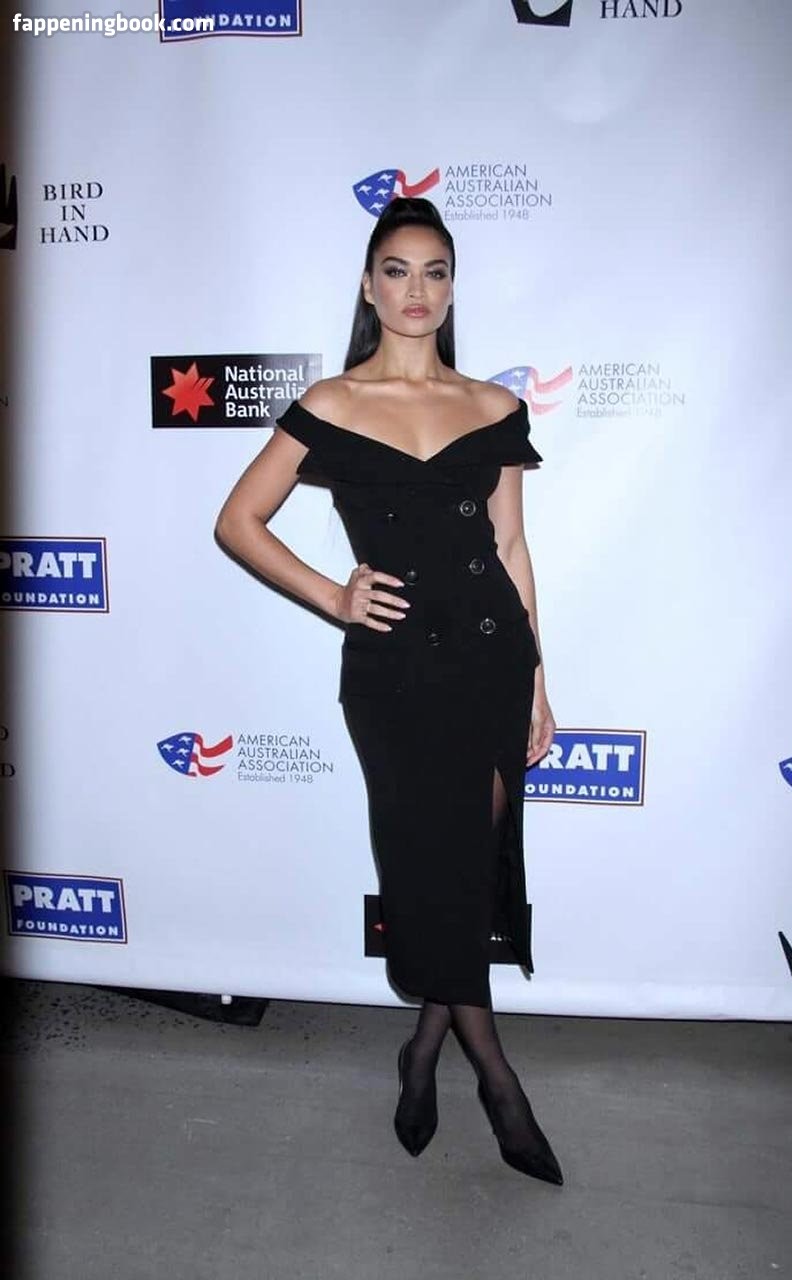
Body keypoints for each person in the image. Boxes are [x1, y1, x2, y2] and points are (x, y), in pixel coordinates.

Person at [215, 197, 562, 1186]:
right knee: (427, 863)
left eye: (435, 270)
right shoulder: (331, 402)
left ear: (452, 288)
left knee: (466, 868)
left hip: (491, 660)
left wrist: (538, 682)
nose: (418, 289)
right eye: (398, 270)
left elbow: (511, 547)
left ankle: (424, 1048)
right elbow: (238, 520)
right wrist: (334, 595)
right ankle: (494, 1073)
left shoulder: (491, 407)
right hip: (395, 673)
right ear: (369, 287)